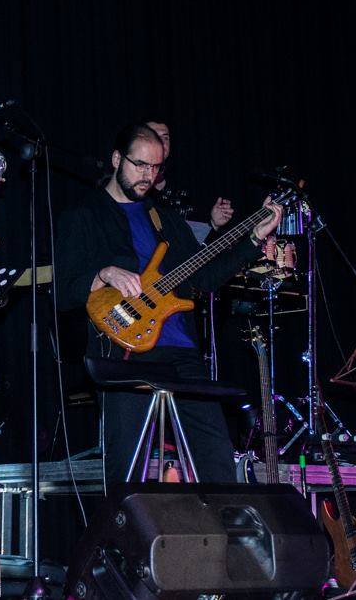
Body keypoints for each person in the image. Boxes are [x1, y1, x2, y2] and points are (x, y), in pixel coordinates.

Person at [55, 122, 281, 485]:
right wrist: (103, 274)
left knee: (215, 456)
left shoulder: (165, 218)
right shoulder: (82, 216)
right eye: (140, 165)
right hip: (124, 350)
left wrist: (253, 237)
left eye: (156, 167)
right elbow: (63, 292)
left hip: (180, 352)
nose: (148, 175)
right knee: (126, 466)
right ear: (116, 159)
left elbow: (203, 277)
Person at [146, 120, 235, 240]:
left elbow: (197, 245)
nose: (162, 142)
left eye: (165, 138)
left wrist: (214, 224)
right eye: (154, 136)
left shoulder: (186, 186)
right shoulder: (132, 188)